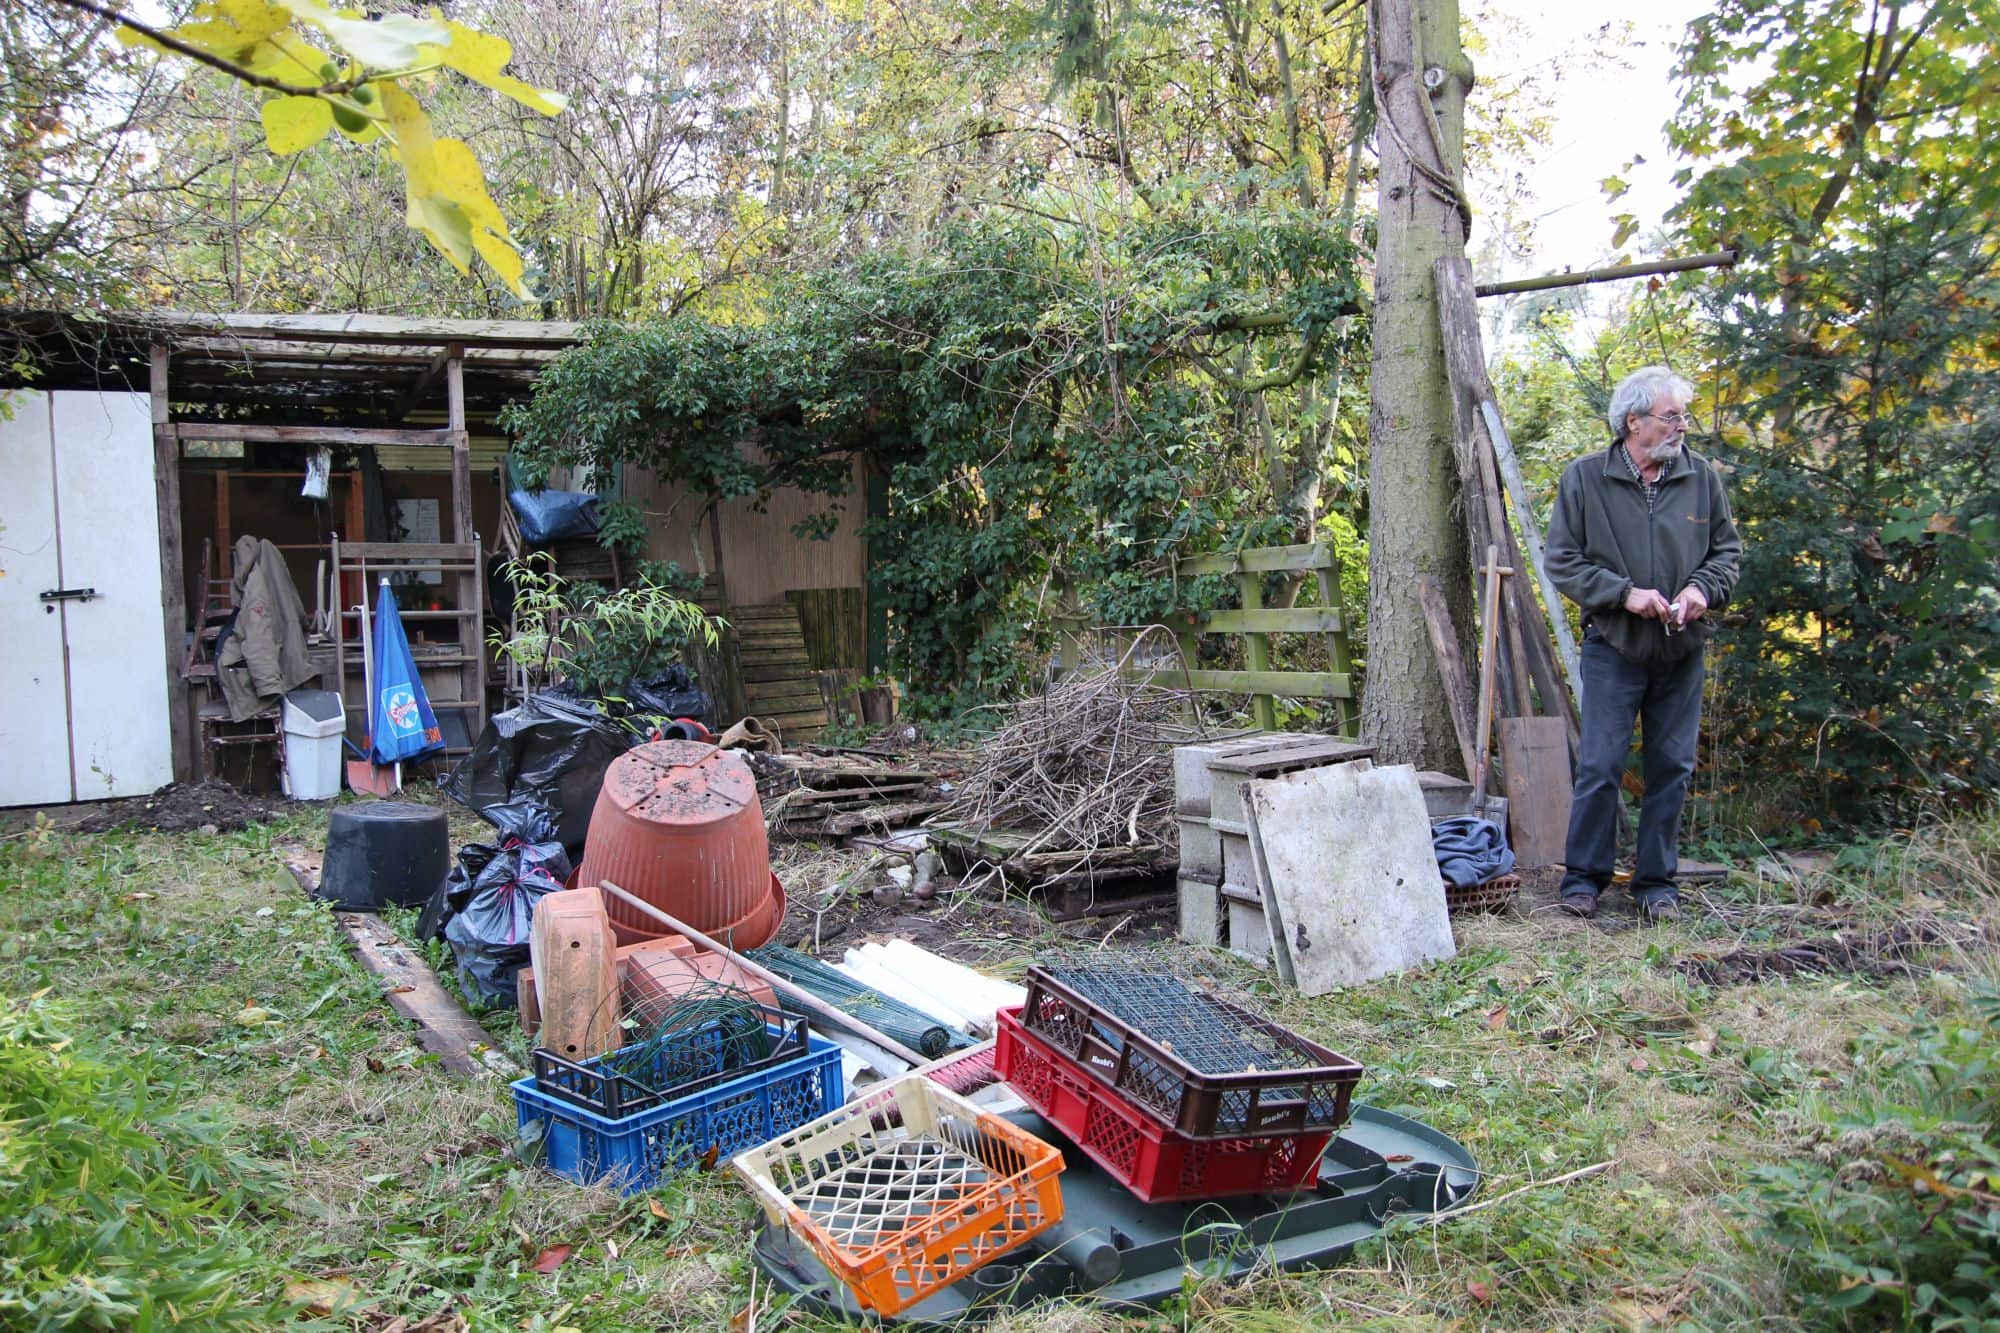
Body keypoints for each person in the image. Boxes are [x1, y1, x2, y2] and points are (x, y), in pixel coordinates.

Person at [1543, 366, 1742, 922]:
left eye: (1682, 416)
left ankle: (1656, 884)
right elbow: (1561, 561)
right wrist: (1623, 594)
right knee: (1601, 765)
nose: (1682, 426)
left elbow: (1726, 553)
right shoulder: (1584, 479)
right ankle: (1583, 879)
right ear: (1634, 422)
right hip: (1614, 644)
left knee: (1672, 766)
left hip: (1683, 648)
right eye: (1671, 416)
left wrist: (1704, 588)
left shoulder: (1701, 478)